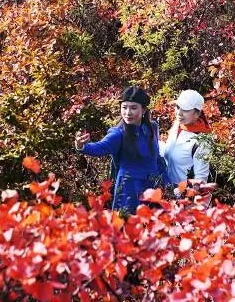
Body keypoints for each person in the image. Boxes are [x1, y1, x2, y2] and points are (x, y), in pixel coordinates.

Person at [74, 85, 165, 214]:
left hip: (153, 189)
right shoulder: (118, 134)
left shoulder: (152, 128)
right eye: (124, 107)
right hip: (130, 192)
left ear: (144, 109)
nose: (128, 112)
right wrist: (81, 145)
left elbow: (157, 158)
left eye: (133, 108)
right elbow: (99, 148)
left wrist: (165, 182)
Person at [160, 89, 212, 189]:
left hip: (183, 196)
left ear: (197, 113)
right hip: (165, 189)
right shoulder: (177, 125)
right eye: (178, 107)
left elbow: (200, 182)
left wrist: (178, 192)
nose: (179, 113)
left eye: (185, 110)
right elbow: (169, 152)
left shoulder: (202, 142)